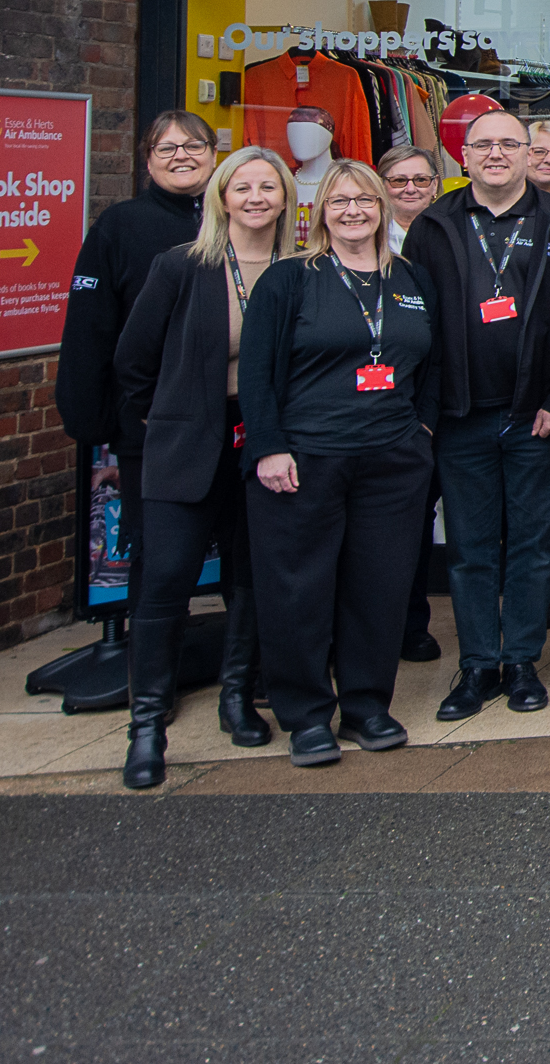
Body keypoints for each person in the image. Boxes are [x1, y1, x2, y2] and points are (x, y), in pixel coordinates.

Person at [109, 145, 300, 788]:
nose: (254, 198)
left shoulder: (300, 268)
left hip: (264, 444)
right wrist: (159, 423)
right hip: (186, 443)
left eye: (266, 187)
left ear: (284, 198)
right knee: (165, 579)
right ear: (221, 197)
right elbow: (133, 362)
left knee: (249, 578)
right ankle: (146, 726)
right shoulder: (181, 267)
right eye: (240, 187)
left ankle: (237, 698)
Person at [239, 161, 442, 766]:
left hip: (392, 461)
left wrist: (422, 432)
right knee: (299, 590)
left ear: (382, 209)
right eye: (339, 201)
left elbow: (430, 367)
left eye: (365, 201)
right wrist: (269, 446)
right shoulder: (290, 280)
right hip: (305, 460)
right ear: (320, 211)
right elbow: (256, 373)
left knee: (377, 588)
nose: (353, 211)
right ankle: (305, 717)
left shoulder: (411, 278)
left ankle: (366, 706)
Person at [406, 108, 550, 722]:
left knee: (537, 546)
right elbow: (415, 326)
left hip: (536, 417)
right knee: (468, 548)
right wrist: (427, 413)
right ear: (463, 157)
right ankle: (477, 665)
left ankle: (521, 660)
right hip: (460, 416)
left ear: (528, 153)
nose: (495, 154)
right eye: (482, 145)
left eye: (508, 144)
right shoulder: (432, 227)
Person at [58, 112, 219, 587]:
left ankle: (239, 660)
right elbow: (90, 328)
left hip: (227, 419)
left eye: (193, 146)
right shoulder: (120, 225)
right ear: (148, 160)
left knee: (237, 549)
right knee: (157, 557)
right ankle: (151, 660)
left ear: (213, 155)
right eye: (166, 148)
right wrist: (94, 415)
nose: (181, 157)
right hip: (148, 424)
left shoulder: (239, 216)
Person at [377, 143, 448, 663]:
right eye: (399, 182)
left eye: (420, 181)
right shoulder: (362, 239)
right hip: (374, 405)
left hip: (430, 402)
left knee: (416, 519)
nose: (410, 191)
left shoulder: (448, 232)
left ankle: (410, 622)